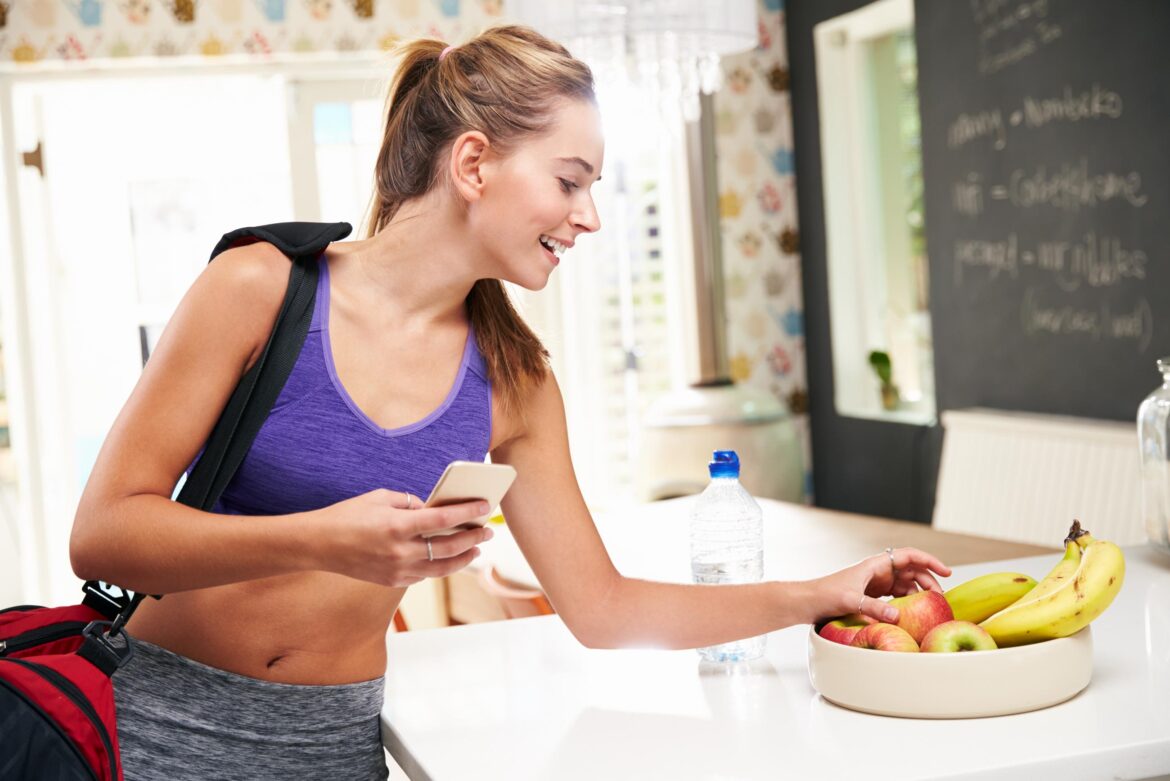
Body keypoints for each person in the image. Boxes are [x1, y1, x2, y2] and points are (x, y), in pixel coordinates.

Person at [69, 24, 951, 780]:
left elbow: (604, 609)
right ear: (473, 163)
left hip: (333, 745)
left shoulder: (515, 377)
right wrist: (325, 536)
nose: (590, 216)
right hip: (161, 728)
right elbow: (103, 531)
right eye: (571, 181)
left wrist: (817, 594)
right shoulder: (259, 287)